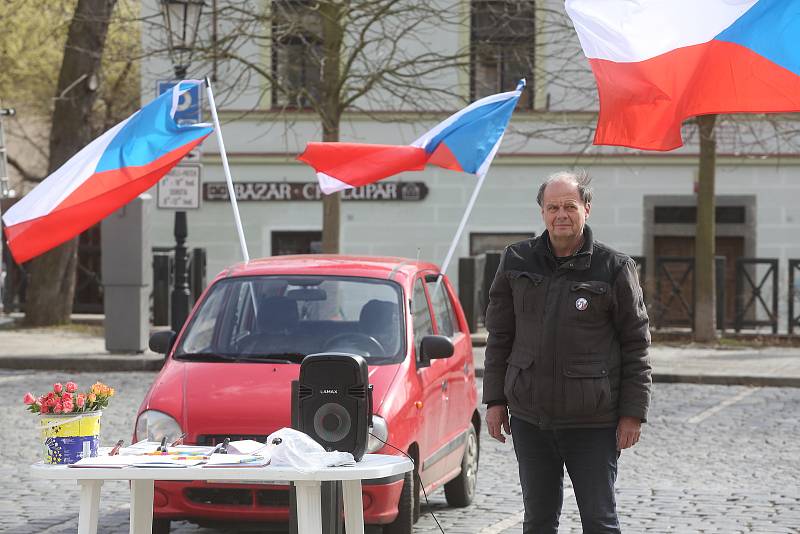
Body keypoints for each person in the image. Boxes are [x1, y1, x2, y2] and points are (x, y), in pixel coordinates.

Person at [483, 170, 651, 534]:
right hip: (530, 419)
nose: (561, 214)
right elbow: (499, 336)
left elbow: (636, 344)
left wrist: (632, 414)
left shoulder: (614, 267)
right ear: (542, 212)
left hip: (593, 423)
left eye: (570, 206)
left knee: (600, 522)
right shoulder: (516, 260)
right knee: (539, 521)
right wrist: (495, 400)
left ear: (586, 209)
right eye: (553, 207)